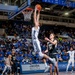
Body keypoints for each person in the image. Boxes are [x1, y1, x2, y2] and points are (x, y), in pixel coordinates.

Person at [32, 5, 56, 72]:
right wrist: (39, 13)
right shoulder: (36, 27)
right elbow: (37, 18)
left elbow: (35, 18)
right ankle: (46, 66)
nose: (36, 22)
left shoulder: (36, 27)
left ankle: (52, 60)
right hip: (34, 42)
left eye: (37, 22)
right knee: (40, 56)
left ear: (38, 24)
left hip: (36, 41)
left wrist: (35, 10)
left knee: (41, 54)